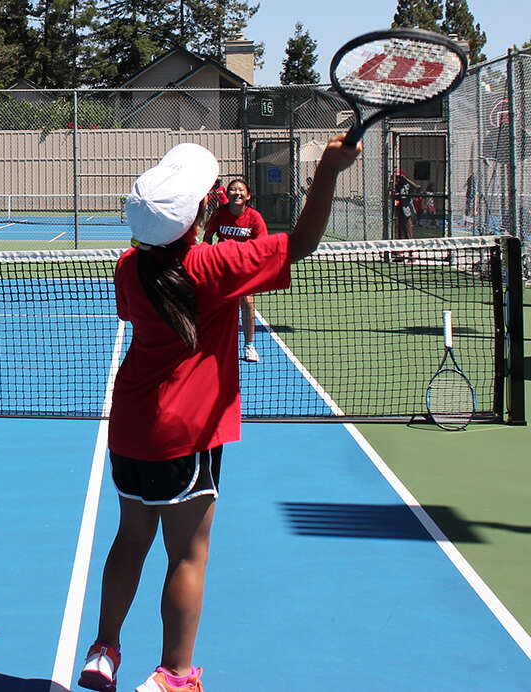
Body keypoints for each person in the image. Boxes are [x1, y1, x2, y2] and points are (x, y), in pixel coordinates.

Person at [77, 136, 360, 692]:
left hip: (130, 426)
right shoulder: (214, 265)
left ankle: (104, 650)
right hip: (186, 433)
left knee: (130, 537)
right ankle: (174, 676)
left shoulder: (128, 267)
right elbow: (301, 242)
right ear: (200, 211)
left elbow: (146, 295)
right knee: (187, 554)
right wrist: (328, 170)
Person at [199, 179, 268, 362]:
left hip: (244, 268)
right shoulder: (219, 214)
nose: (237, 193)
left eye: (241, 190)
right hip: (222, 265)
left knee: (247, 302)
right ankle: (214, 342)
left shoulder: (254, 217)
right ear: (227, 194)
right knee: (217, 304)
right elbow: (207, 237)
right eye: (233, 190)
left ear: (248, 195)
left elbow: (263, 245)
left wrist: (255, 267)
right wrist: (206, 259)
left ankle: (249, 345)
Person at [391, 169, 420, 241]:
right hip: (396, 212)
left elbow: (417, 187)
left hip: (406, 212)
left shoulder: (407, 186)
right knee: (397, 232)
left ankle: (409, 243)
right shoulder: (394, 186)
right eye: (396, 177)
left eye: (399, 177)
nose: (397, 179)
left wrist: (405, 179)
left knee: (407, 230)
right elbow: (389, 195)